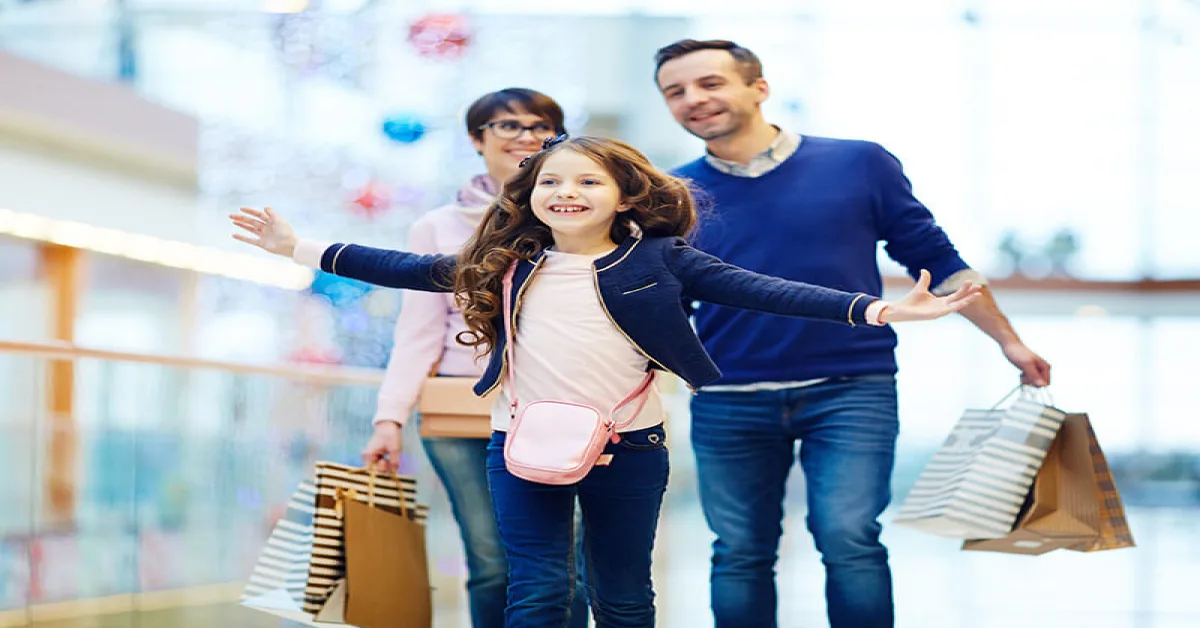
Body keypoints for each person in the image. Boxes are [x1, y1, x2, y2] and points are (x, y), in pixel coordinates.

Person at [230, 135, 982, 628]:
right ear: (526, 197)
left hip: (631, 448)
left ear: (623, 195)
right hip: (517, 446)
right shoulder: (506, 263)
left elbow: (765, 289)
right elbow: (402, 269)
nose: (566, 191)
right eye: (549, 181)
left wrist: (879, 308)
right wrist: (299, 246)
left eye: (587, 180)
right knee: (537, 588)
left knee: (623, 593)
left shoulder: (659, 259)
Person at [652, 39, 1053, 628]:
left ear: (758, 87)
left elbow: (937, 260)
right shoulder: (672, 194)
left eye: (710, 83)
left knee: (850, 540)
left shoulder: (859, 163)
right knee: (739, 552)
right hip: (728, 397)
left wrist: (1008, 341)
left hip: (850, 389)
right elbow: (668, 302)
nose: (693, 100)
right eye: (676, 92)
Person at [351, 88, 588, 628]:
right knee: (489, 562)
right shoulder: (438, 226)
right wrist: (388, 419)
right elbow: (418, 332)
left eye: (541, 127)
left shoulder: (580, 216)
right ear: (477, 140)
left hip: (558, 408)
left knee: (563, 564)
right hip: (462, 410)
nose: (527, 137)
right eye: (509, 126)